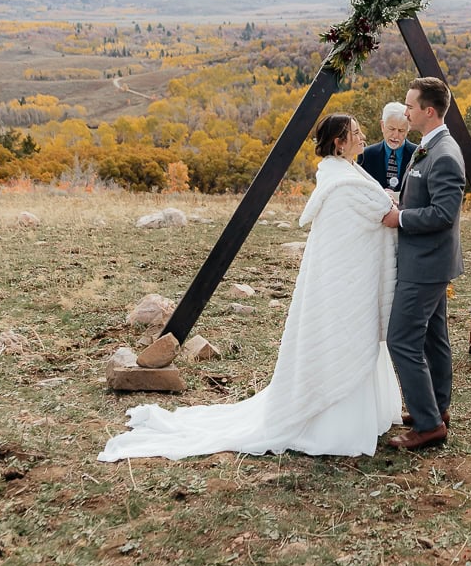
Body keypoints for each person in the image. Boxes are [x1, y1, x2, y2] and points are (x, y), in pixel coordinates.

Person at [99, 114, 402, 461]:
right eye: (357, 133)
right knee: (342, 340)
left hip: (351, 279)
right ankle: (328, 416)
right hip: (344, 283)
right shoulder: (344, 183)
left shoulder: (345, 174)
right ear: (339, 142)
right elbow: (379, 215)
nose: (364, 138)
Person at [381, 77, 465, 450]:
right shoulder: (429, 146)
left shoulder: (444, 154)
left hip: (426, 264)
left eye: (410, 106)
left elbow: (444, 214)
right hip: (427, 261)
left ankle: (429, 425)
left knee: (401, 340)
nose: (405, 111)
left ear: (428, 111)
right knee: (434, 338)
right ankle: (436, 407)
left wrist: (399, 219)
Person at [358, 102, 417, 195]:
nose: (395, 135)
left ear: (408, 129)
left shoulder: (418, 155)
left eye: (401, 130)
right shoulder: (366, 155)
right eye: (391, 129)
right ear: (382, 126)